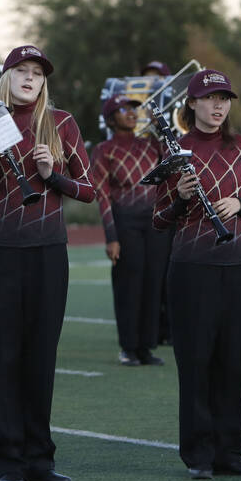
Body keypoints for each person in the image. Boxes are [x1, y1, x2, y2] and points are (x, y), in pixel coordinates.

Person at [0, 45, 94, 481]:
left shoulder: (62, 124)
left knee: (41, 357)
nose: (30, 78)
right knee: (3, 357)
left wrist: (51, 173)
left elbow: (90, 190)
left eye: (37, 72)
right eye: (21, 70)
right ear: (6, 77)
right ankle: (8, 459)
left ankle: (41, 459)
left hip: (48, 252)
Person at [152, 68, 241, 480]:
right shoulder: (174, 150)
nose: (218, 105)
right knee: (196, 363)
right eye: (210, 98)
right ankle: (198, 455)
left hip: (234, 266)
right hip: (190, 268)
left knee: (232, 364)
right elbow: (159, 221)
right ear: (193, 103)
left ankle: (229, 453)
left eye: (224, 99)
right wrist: (181, 199)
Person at [88, 94, 168, 366]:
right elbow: (103, 196)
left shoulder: (150, 144)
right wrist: (112, 237)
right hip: (125, 223)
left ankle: (146, 346)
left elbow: (175, 160)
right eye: (124, 109)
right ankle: (128, 347)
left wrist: (161, 126)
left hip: (155, 223)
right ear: (111, 118)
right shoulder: (103, 150)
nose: (132, 113)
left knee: (153, 284)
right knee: (128, 286)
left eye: (134, 108)